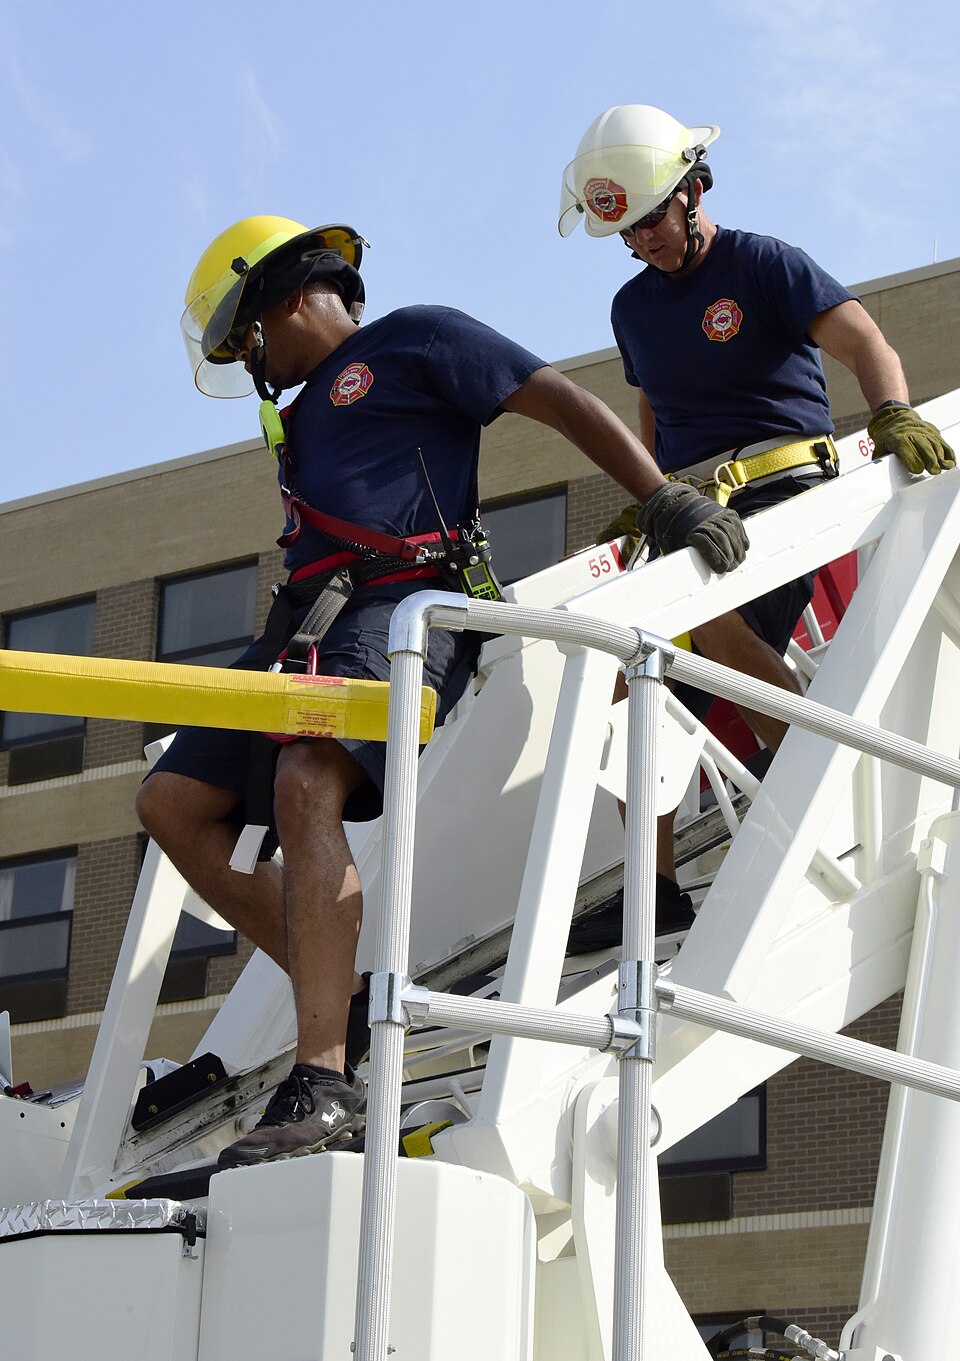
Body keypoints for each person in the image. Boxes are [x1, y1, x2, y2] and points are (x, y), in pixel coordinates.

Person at [135, 214, 749, 1167]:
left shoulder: (419, 338)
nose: (253, 363)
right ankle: (332, 993)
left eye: (250, 336)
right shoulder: (299, 415)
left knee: (307, 779)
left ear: (293, 296)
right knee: (169, 801)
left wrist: (664, 496)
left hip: (405, 607)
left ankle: (327, 1078)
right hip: (303, 621)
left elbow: (561, 401)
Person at [558, 104, 955, 945]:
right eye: (625, 233)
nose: (644, 243)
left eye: (653, 219)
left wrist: (890, 411)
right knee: (638, 684)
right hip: (694, 508)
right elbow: (653, 404)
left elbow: (864, 340)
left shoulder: (764, 262)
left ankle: (811, 780)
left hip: (785, 493)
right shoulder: (633, 308)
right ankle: (655, 890)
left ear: (694, 189)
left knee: (700, 617)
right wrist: (651, 488)